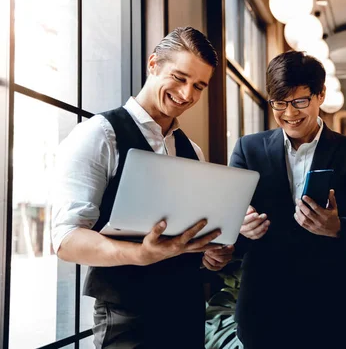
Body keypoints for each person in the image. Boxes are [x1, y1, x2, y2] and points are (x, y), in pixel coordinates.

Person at [51, 27, 234, 349]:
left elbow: (184, 238)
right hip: (127, 314)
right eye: (179, 78)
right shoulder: (98, 135)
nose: (187, 94)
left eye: (199, 86)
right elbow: (66, 240)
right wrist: (140, 254)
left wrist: (209, 253)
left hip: (186, 307)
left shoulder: (193, 151)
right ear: (153, 64)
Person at [230, 51, 346, 349]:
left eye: (300, 101)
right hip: (263, 305)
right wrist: (241, 226)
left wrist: (336, 227)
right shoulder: (248, 149)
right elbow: (230, 218)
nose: (290, 113)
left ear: (320, 95)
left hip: (327, 303)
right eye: (279, 103)